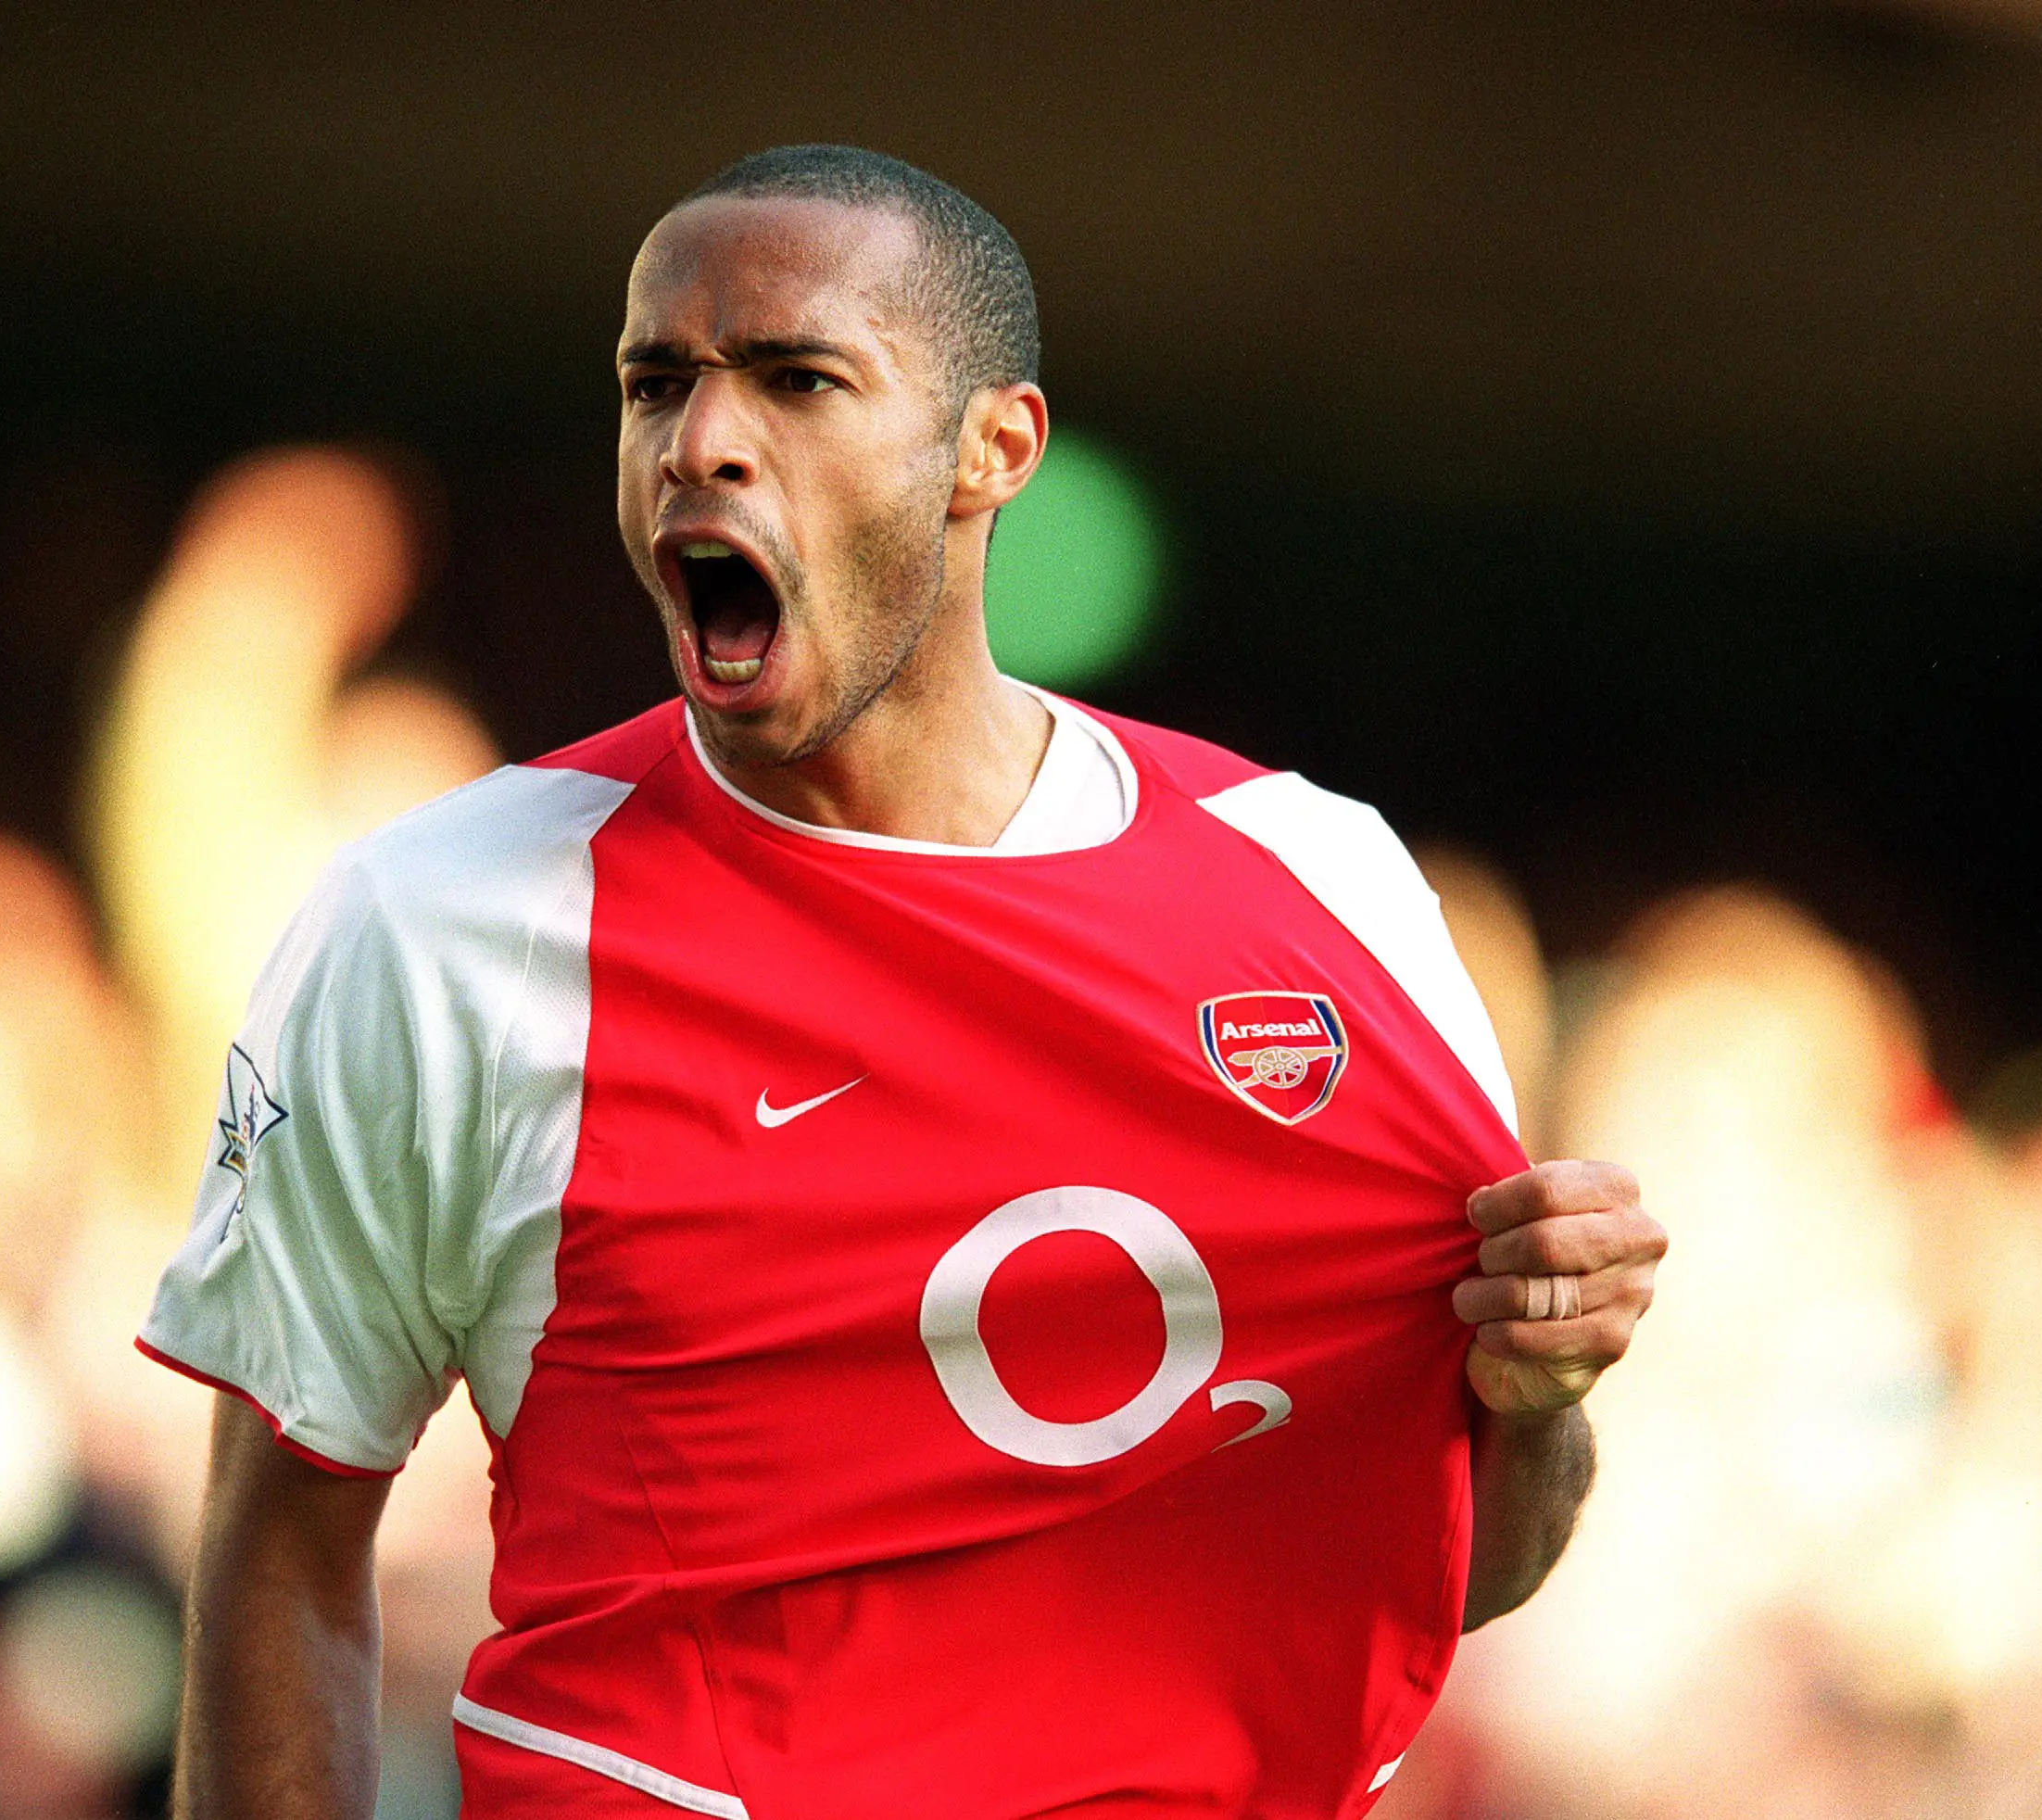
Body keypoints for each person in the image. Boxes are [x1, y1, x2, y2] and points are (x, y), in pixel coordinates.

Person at [139, 145, 1665, 1820]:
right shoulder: (441, 927)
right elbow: (277, 1552)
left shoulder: (1325, 887)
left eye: (797, 379)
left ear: (990, 450)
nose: (699, 442)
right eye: (657, 384)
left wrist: (1535, 1399)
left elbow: (1443, 1571)